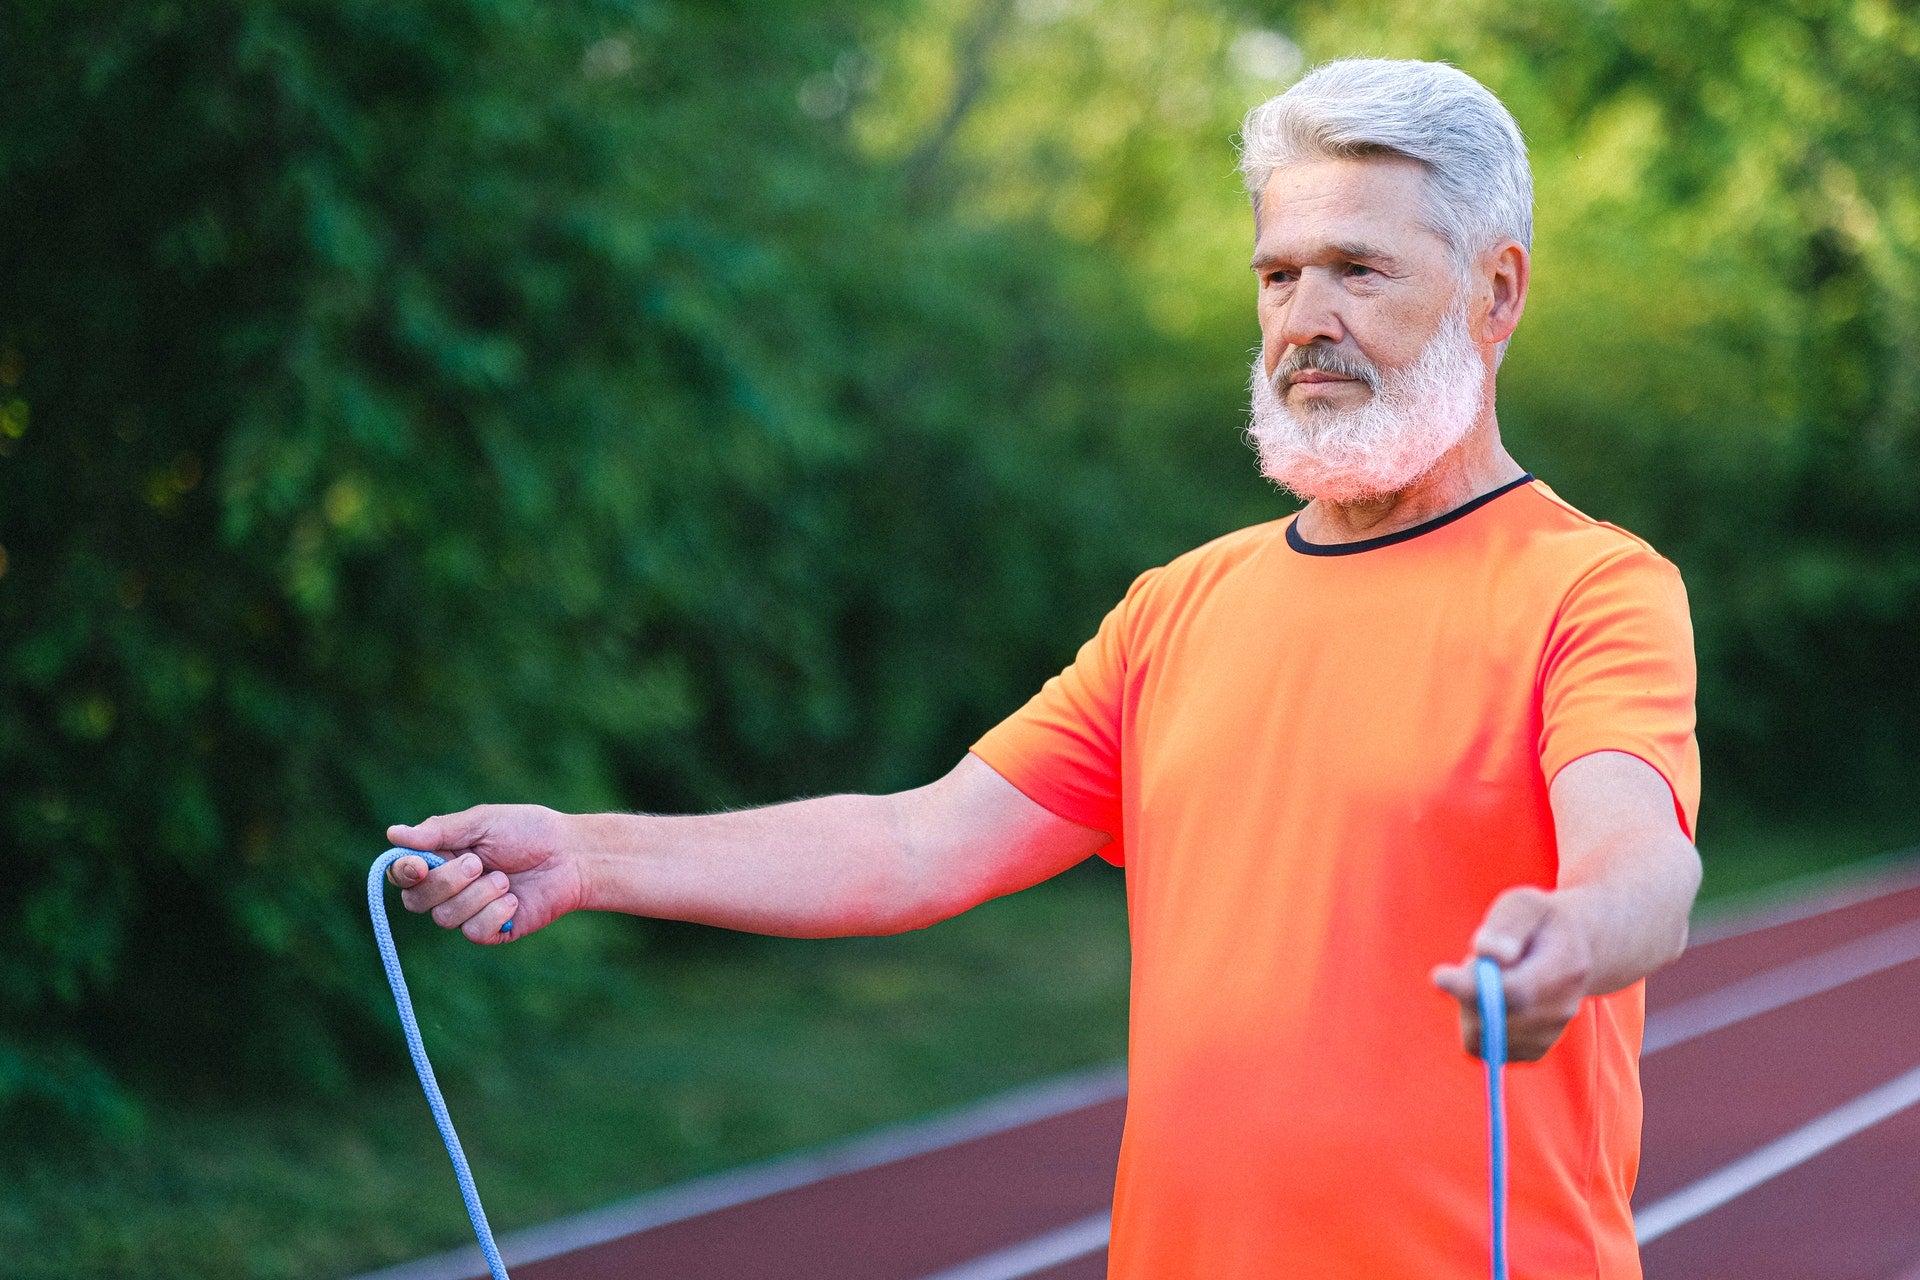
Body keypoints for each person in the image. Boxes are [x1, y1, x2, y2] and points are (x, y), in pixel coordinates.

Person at [385, 58, 1701, 1279]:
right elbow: (912, 845)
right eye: (1278, 273)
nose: (1306, 319)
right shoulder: (1178, 609)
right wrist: (589, 855)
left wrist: (1573, 940)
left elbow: (1641, 862)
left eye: (1358, 269)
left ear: (1498, 291)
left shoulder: (1589, 588)